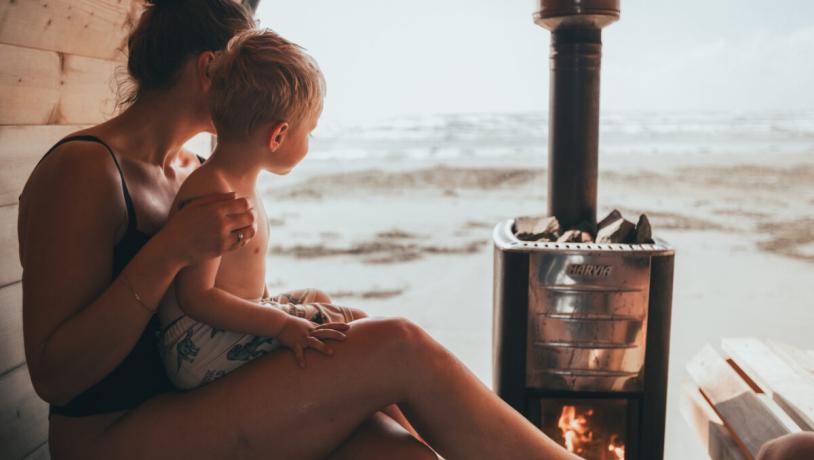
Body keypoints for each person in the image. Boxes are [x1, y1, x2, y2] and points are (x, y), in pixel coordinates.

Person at [18, 0, 580, 458]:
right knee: (399, 344)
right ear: (210, 70)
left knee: (397, 448)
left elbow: (213, 298)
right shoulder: (85, 169)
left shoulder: (191, 169)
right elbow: (56, 376)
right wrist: (165, 254)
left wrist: (281, 303)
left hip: (194, 400)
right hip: (113, 432)